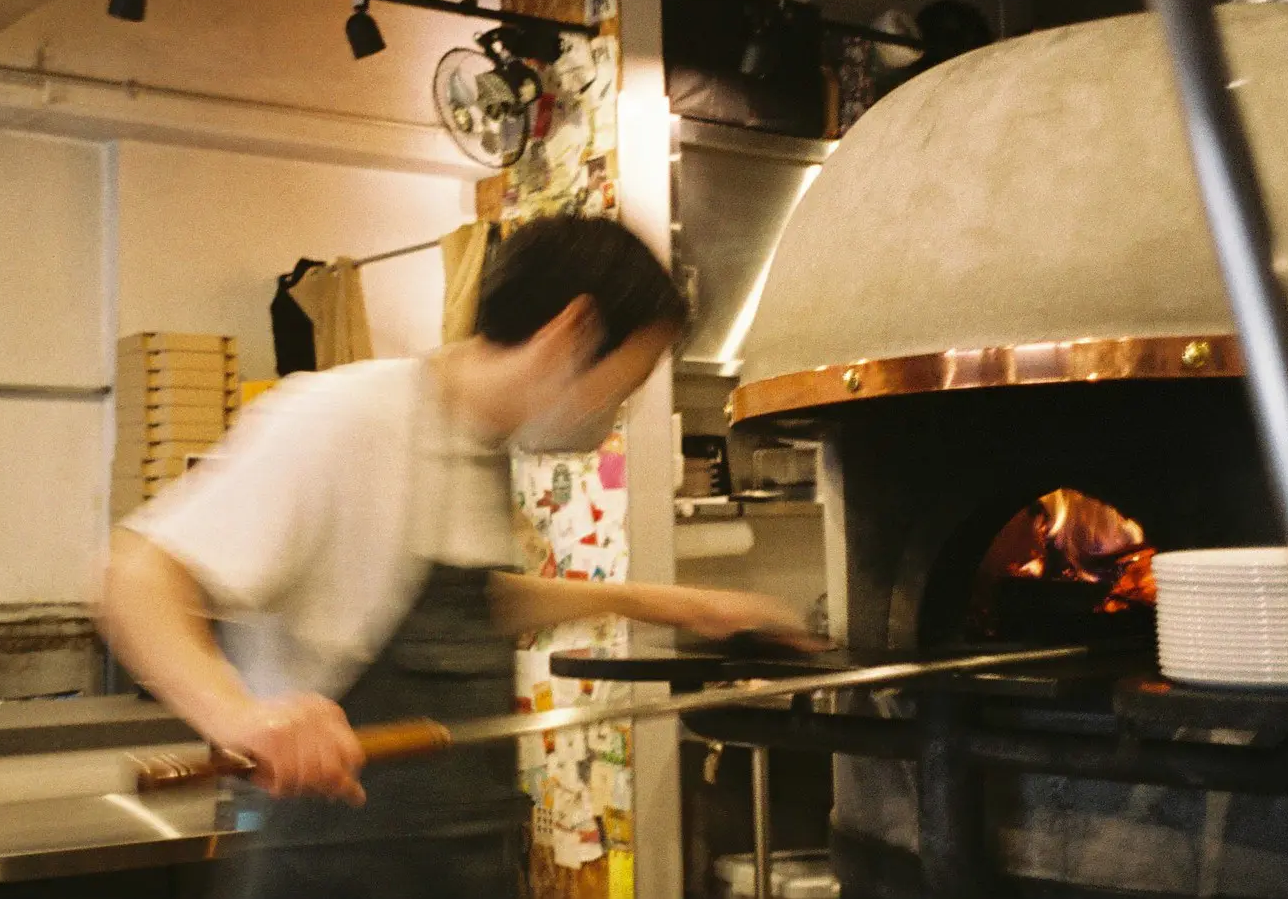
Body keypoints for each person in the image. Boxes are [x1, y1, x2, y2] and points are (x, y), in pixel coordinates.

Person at [99, 215, 815, 899]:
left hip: (456, 864)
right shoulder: (344, 418)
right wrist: (237, 715)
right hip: (336, 872)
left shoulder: (474, 444)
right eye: (627, 382)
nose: (619, 409)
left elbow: (467, 609)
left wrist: (663, 603)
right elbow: (136, 571)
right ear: (572, 332)